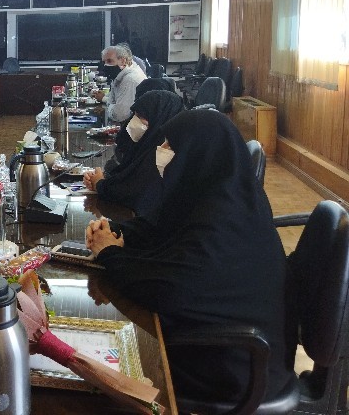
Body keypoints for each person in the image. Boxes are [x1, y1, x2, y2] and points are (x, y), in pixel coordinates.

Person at [86, 109, 293, 406]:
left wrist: (110, 253)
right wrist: (117, 231)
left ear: (199, 154)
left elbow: (168, 291)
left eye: (170, 145)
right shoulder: (216, 192)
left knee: (100, 371)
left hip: (235, 367)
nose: (162, 151)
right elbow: (161, 227)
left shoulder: (223, 222)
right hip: (217, 343)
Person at [83, 90, 184, 219]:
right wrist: (102, 179)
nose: (134, 121)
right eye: (134, 114)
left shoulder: (165, 154)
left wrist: (100, 184)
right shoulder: (145, 145)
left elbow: (135, 193)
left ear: (159, 118)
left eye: (141, 116)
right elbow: (128, 177)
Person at [94, 45, 146, 123]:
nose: (105, 65)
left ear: (123, 61)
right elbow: (112, 99)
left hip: (132, 126)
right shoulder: (120, 75)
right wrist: (111, 104)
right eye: (104, 62)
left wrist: (108, 106)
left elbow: (119, 115)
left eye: (109, 61)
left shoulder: (130, 79)